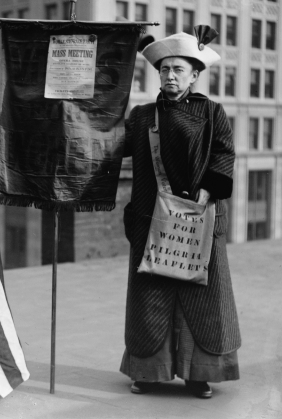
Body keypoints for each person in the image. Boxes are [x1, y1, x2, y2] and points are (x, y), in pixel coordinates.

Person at [121, 29, 240, 399]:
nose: (170, 76)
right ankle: (148, 371)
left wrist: (205, 192)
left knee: (201, 298)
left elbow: (223, 155)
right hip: (150, 219)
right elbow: (114, 147)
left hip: (199, 219)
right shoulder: (141, 117)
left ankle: (198, 374)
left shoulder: (212, 112)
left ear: (194, 75)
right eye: (165, 69)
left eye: (178, 69)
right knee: (151, 295)